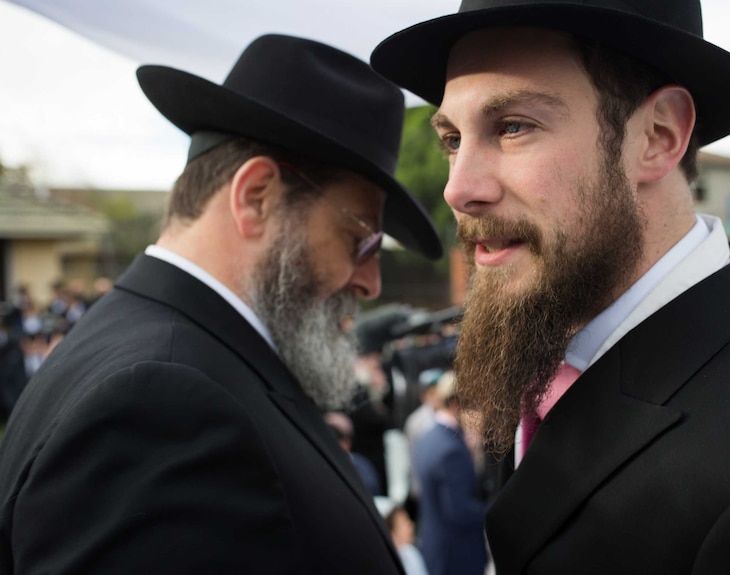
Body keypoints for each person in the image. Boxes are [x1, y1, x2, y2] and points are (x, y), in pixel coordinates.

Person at [371, 1, 730, 573]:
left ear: (658, 136)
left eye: (511, 127)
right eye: (452, 138)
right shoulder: (550, 343)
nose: (459, 188)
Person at [0, 34, 441, 574]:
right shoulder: (159, 403)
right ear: (256, 196)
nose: (371, 282)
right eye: (362, 241)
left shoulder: (178, 359)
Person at [413, 371, 487, 575]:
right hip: (457, 556)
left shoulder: (427, 438)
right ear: (456, 405)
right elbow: (460, 511)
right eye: (476, 406)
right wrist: (496, 509)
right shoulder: (451, 450)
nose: (480, 415)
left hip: (436, 548)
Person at [325, 410, 384, 497]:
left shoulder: (361, 465)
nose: (332, 442)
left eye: (337, 435)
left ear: (347, 442)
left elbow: (372, 490)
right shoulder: (317, 465)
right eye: (328, 435)